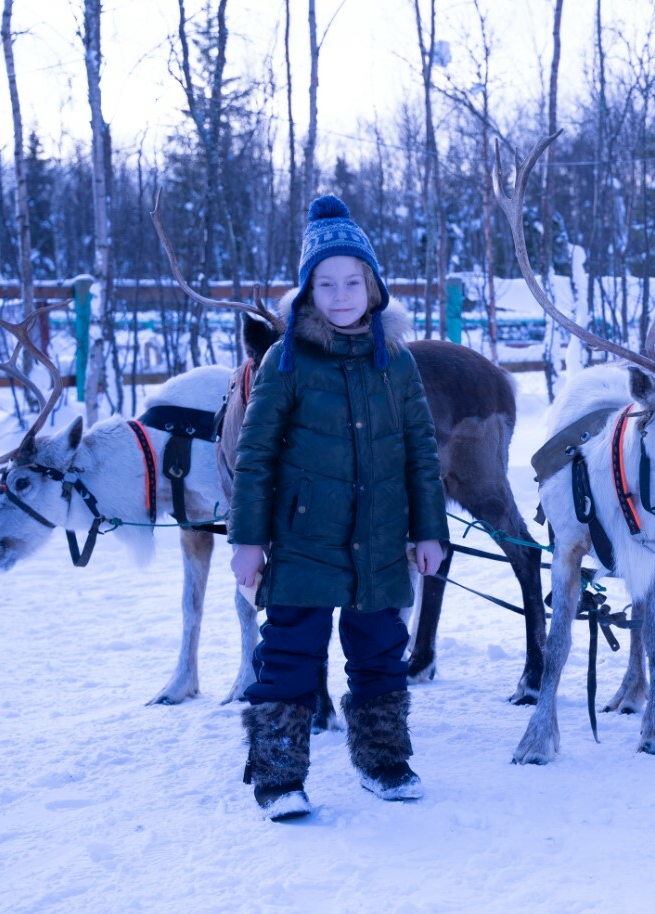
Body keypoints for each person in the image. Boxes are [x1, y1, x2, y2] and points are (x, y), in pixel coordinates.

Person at [228, 194, 449, 821]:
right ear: (306, 293)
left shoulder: (396, 362)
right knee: (290, 652)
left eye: (354, 280)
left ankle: (384, 761)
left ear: (374, 287)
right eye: (326, 283)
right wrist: (248, 541)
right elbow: (257, 454)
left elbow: (420, 451)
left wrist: (429, 529)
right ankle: (278, 777)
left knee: (381, 651)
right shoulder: (287, 360)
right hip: (302, 542)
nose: (342, 293)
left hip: (379, 541)